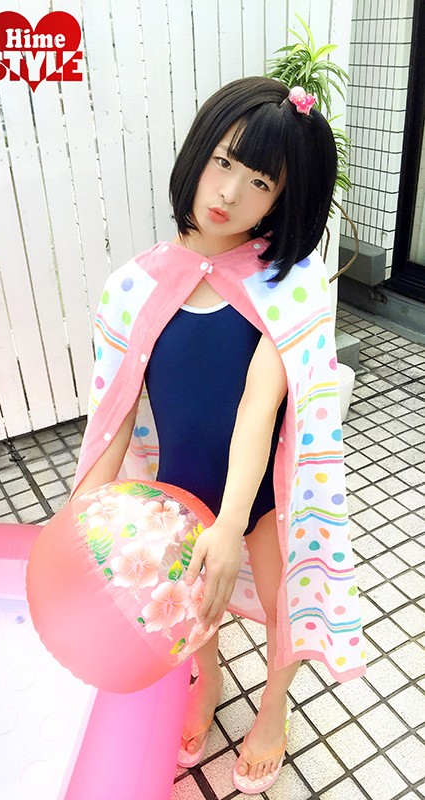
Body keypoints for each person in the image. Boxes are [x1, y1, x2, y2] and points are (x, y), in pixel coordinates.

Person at [71, 77, 365, 795]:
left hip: (258, 496)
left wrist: (232, 523)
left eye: (260, 182)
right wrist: (81, 515)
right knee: (184, 605)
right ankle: (206, 681)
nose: (230, 193)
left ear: (282, 199)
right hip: (175, 491)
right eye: (224, 162)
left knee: (281, 602)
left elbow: (260, 411)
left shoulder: (287, 283)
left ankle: (274, 708)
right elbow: (114, 414)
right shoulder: (134, 285)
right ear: (200, 152)